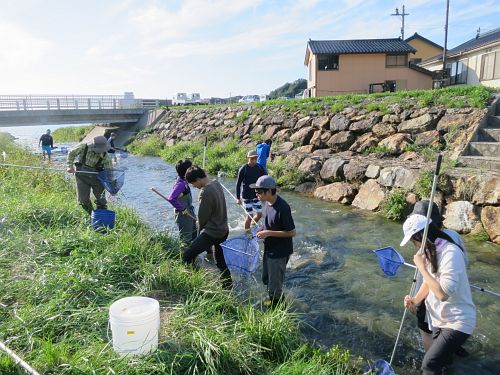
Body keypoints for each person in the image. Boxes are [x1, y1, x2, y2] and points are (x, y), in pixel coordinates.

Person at [401, 214, 476, 375]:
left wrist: (421, 267)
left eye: (414, 241)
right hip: (439, 320)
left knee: (429, 365)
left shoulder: (451, 252)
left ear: (421, 236)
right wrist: (415, 300)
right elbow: (429, 283)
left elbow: (442, 294)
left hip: (457, 321)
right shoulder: (432, 250)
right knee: (445, 364)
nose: (414, 246)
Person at [410, 200, 469, 357]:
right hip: (456, 289)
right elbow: (464, 263)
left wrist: (417, 299)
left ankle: (433, 356)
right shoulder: (454, 235)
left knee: (423, 325)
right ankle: (451, 348)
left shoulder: (429, 244)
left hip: (433, 288)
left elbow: (433, 284)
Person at [183, 166, 232, 289]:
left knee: (188, 255)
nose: (194, 186)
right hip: (223, 230)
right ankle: (227, 284)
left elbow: (203, 218)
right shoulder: (216, 183)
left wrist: (199, 231)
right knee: (219, 259)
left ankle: (195, 282)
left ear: (198, 179)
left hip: (212, 233)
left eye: (193, 183)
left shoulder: (205, 191)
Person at [251, 175, 296, 307]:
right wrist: (263, 228)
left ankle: (278, 312)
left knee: (275, 286)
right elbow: (271, 224)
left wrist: (268, 233)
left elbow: (292, 232)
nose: (256, 194)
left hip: (279, 252)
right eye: (256, 192)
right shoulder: (267, 204)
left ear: (269, 191)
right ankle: (272, 300)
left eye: (259, 192)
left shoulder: (283, 207)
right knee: (266, 278)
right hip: (269, 249)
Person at [67, 136, 112, 214]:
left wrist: (111, 188)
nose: (100, 152)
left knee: (101, 200)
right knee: (83, 200)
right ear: (93, 146)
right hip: (81, 176)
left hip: (97, 178)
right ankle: (91, 215)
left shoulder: (106, 157)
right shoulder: (83, 147)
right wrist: (69, 166)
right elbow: (71, 153)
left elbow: (109, 173)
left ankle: (101, 215)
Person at [167, 159, 198, 245]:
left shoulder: (184, 181)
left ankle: (194, 256)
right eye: (191, 168)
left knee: (195, 234)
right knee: (186, 239)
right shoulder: (180, 184)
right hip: (184, 214)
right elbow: (171, 198)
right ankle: (184, 257)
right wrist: (182, 208)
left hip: (190, 212)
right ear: (186, 172)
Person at [235, 150, 266, 232]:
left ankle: (251, 224)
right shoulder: (243, 169)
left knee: (259, 214)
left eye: (255, 158)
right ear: (248, 158)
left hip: (256, 195)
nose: (254, 160)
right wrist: (238, 198)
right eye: (252, 158)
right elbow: (238, 184)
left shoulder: (259, 167)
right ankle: (247, 233)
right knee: (249, 216)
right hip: (246, 196)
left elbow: (264, 179)